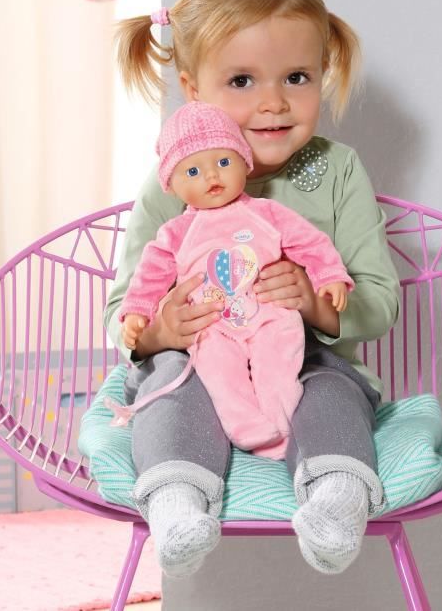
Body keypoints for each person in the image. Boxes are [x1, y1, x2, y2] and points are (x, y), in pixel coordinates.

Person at [104, 0, 400, 579]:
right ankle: (177, 504)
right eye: (241, 80)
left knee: (333, 386)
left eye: (297, 77)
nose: (273, 102)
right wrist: (159, 330)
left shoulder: (338, 170)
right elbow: (122, 310)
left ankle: (336, 497)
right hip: (200, 359)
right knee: (167, 382)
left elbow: (378, 300)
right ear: (193, 89)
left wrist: (316, 304)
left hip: (301, 359)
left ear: (323, 72)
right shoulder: (172, 183)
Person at [108, 101, 353, 463]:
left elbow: (309, 242)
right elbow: (150, 275)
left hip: (270, 315)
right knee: (220, 377)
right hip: (213, 326)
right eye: (193, 170)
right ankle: (248, 430)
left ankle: (282, 426)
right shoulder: (176, 232)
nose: (212, 177)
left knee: (279, 368)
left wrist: (329, 276)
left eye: (224, 162)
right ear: (172, 186)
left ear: (244, 162)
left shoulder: (267, 213)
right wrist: (137, 314)